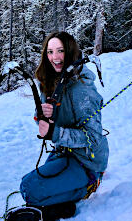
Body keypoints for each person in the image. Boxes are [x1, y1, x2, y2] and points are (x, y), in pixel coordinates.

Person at [20, 31, 109, 221]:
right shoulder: (51, 80)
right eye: (50, 52)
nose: (55, 57)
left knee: (30, 190)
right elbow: (45, 117)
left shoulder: (82, 88)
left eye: (60, 51)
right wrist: (41, 116)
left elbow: (93, 138)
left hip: (87, 161)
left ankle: (90, 183)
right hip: (64, 151)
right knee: (29, 186)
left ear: (70, 52)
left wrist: (54, 132)